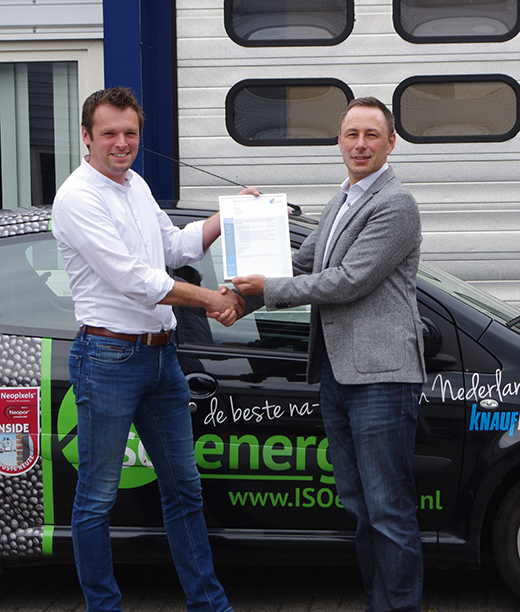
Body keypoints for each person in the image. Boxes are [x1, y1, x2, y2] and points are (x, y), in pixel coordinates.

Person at [52, 86, 243, 612]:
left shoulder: (135, 184)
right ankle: (104, 608)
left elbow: (173, 248)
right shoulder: (77, 198)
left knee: (185, 490)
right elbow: (135, 280)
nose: (122, 143)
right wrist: (211, 299)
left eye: (130, 133)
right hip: (107, 358)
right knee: (96, 499)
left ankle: (209, 605)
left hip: (161, 357)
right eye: (109, 133)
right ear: (86, 136)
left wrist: (229, 215)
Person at [232, 97, 427, 612]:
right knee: (362, 507)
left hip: (382, 377)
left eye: (371, 134)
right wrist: (252, 228)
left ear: (390, 143)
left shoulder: (395, 203)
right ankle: (379, 602)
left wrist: (266, 288)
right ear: (339, 141)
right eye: (351, 134)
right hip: (340, 376)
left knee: (389, 511)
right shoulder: (342, 198)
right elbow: (299, 263)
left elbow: (348, 281)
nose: (360, 144)